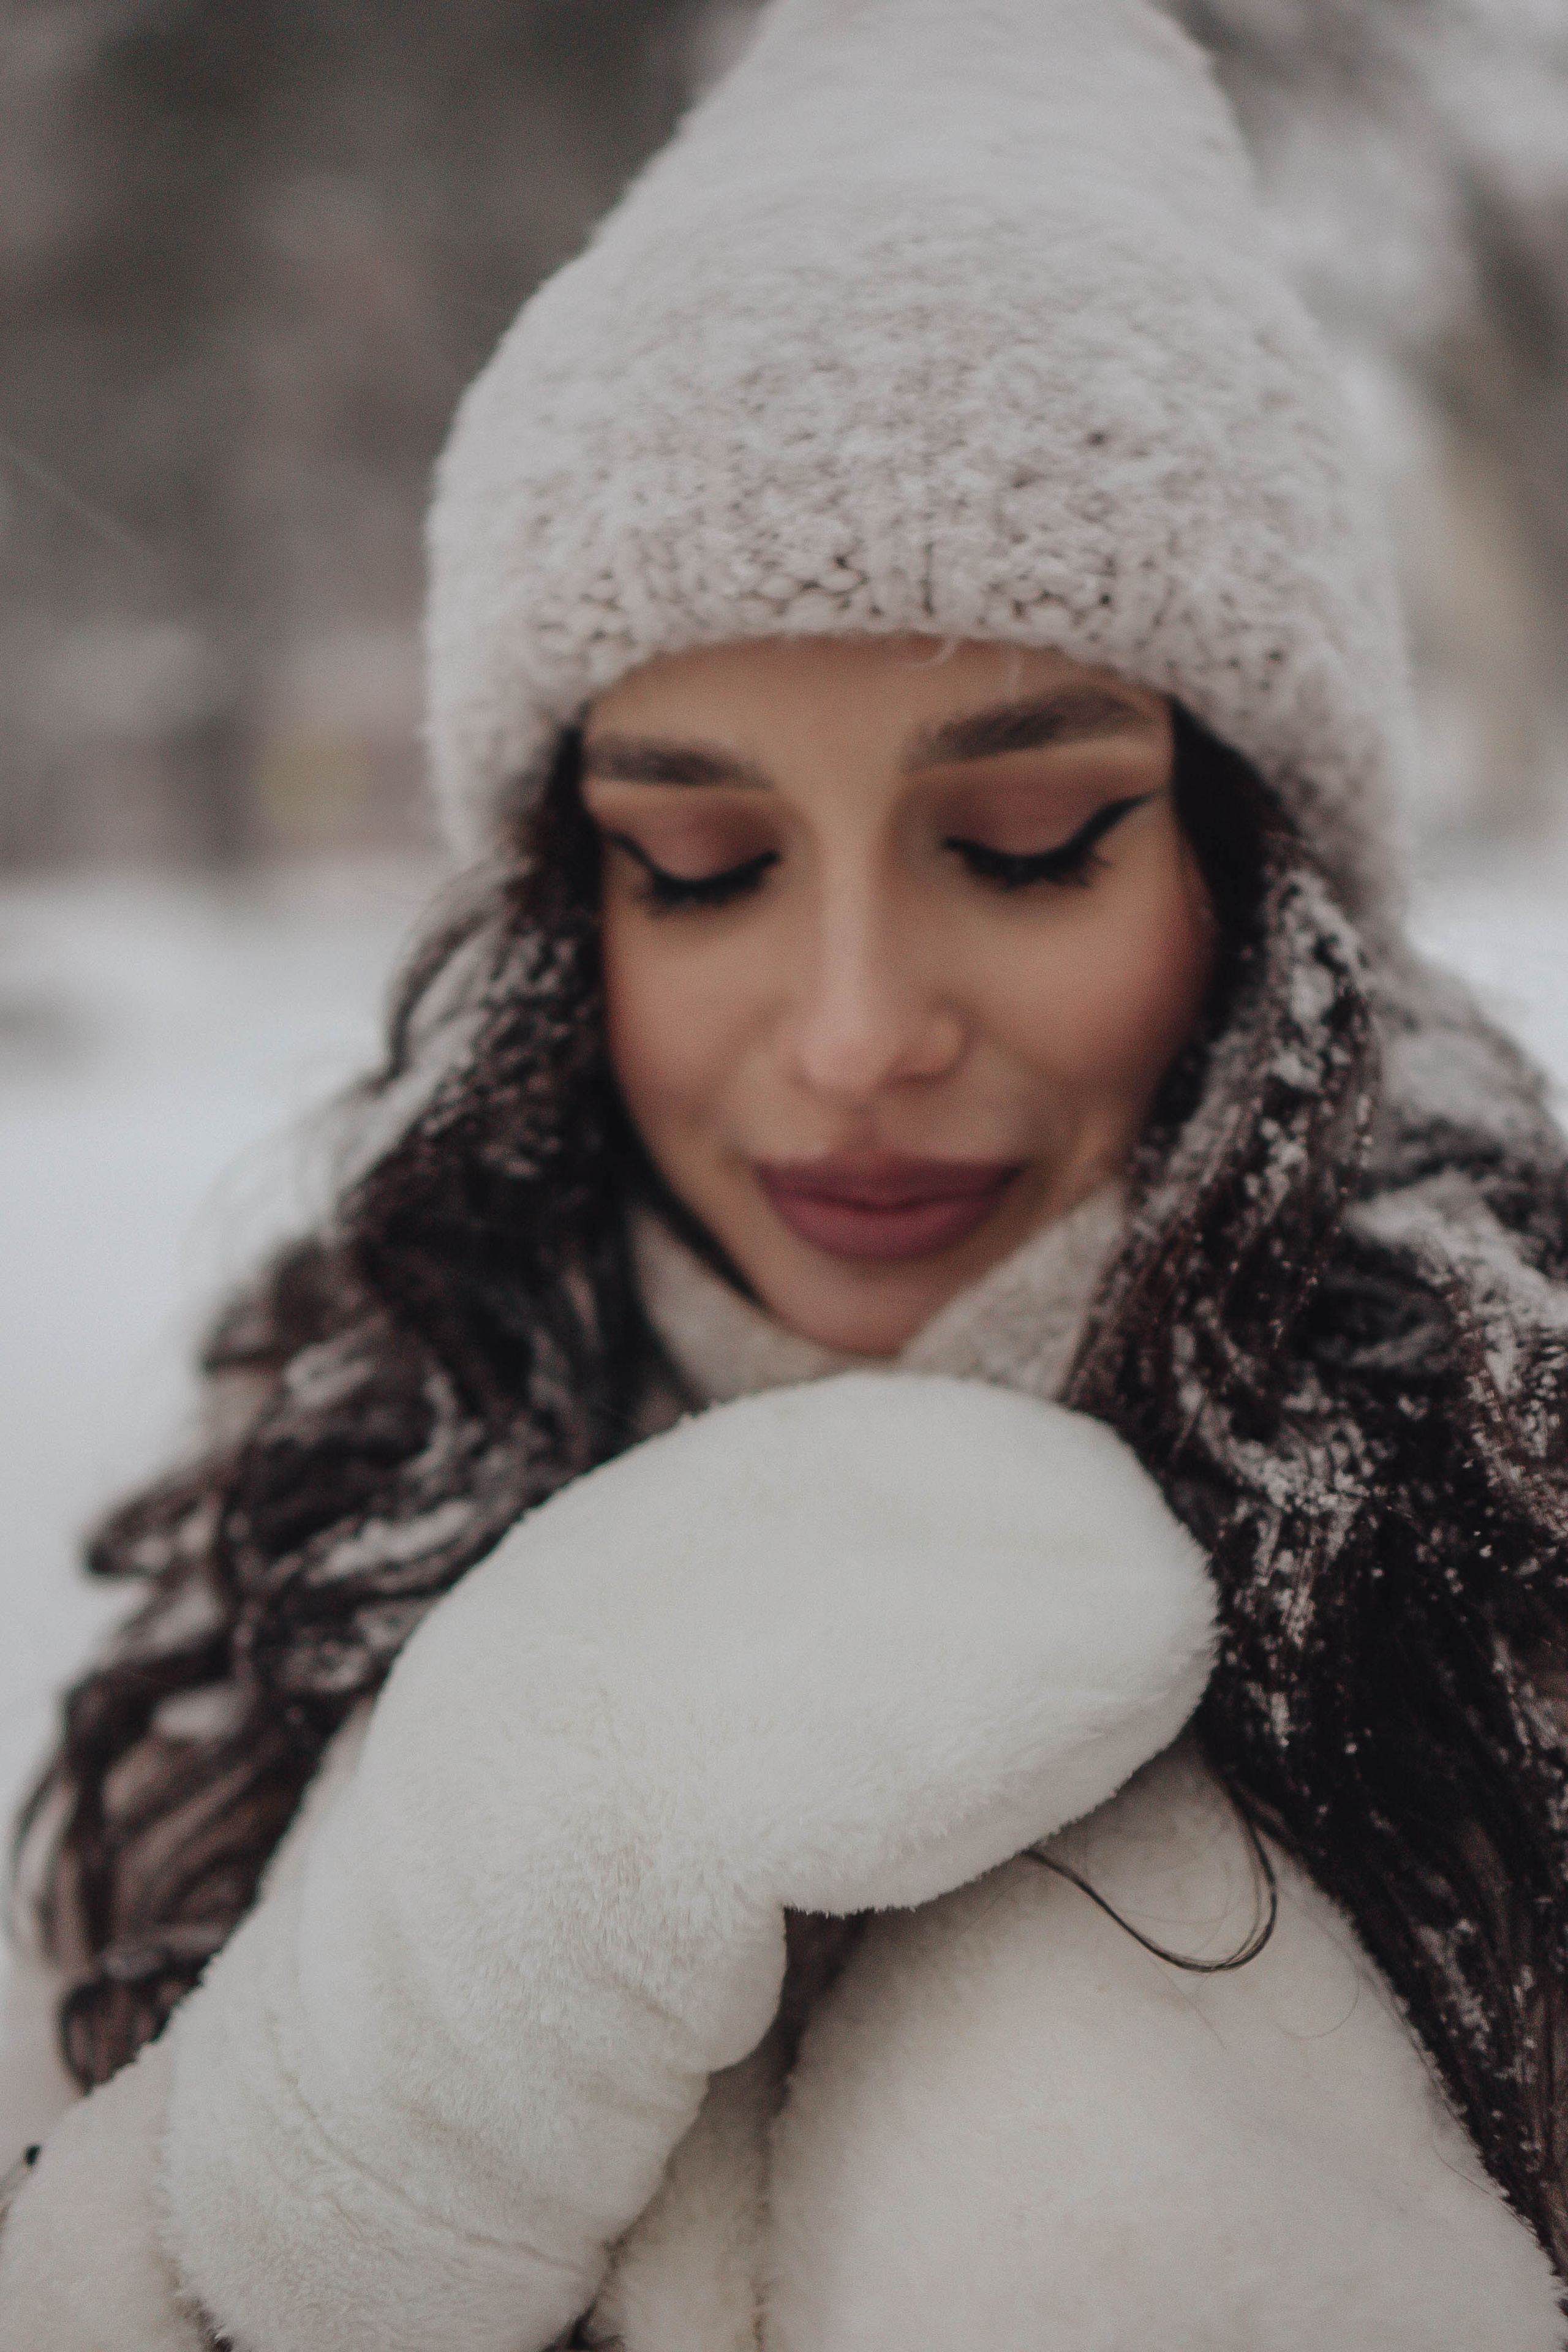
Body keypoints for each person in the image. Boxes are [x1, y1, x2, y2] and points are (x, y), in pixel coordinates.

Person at [4, 1, 1568, 2343]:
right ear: (562, 915)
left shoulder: (1524, 1547)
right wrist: (371, 2122)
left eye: (1026, 843)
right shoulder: (315, 1544)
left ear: (1261, 889)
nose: (853, 1034)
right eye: (702, 863)